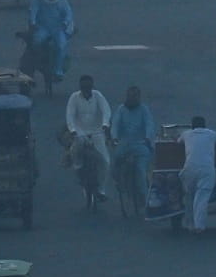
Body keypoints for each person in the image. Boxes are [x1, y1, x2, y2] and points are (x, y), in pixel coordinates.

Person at [111, 85, 158, 213]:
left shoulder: (144, 110)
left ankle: (145, 199)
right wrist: (114, 138)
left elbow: (149, 124)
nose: (132, 99)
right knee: (114, 164)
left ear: (139, 97)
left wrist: (148, 137)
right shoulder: (121, 109)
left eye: (135, 96)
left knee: (141, 171)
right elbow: (115, 124)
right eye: (130, 96)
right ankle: (119, 183)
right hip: (124, 144)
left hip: (140, 145)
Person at [63, 75, 110, 201]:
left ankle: (101, 189)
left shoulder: (98, 96)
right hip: (80, 133)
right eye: (83, 87)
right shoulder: (74, 97)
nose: (86, 90)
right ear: (80, 87)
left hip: (97, 132)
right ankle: (78, 167)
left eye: (88, 87)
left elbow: (106, 111)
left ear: (91, 87)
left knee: (105, 161)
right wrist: (73, 130)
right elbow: (70, 116)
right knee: (75, 151)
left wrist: (105, 124)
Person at [178, 116, 216, 234]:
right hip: (206, 170)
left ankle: (189, 224)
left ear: (192, 126)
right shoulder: (211, 134)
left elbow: (178, 141)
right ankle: (199, 226)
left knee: (189, 196)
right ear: (205, 125)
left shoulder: (186, 134)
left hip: (189, 169)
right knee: (202, 197)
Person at [27, 0, 75, 86]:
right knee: (37, 41)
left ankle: (58, 70)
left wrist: (65, 22)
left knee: (61, 45)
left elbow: (68, 13)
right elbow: (33, 12)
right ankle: (40, 62)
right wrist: (33, 23)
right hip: (42, 27)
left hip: (58, 28)